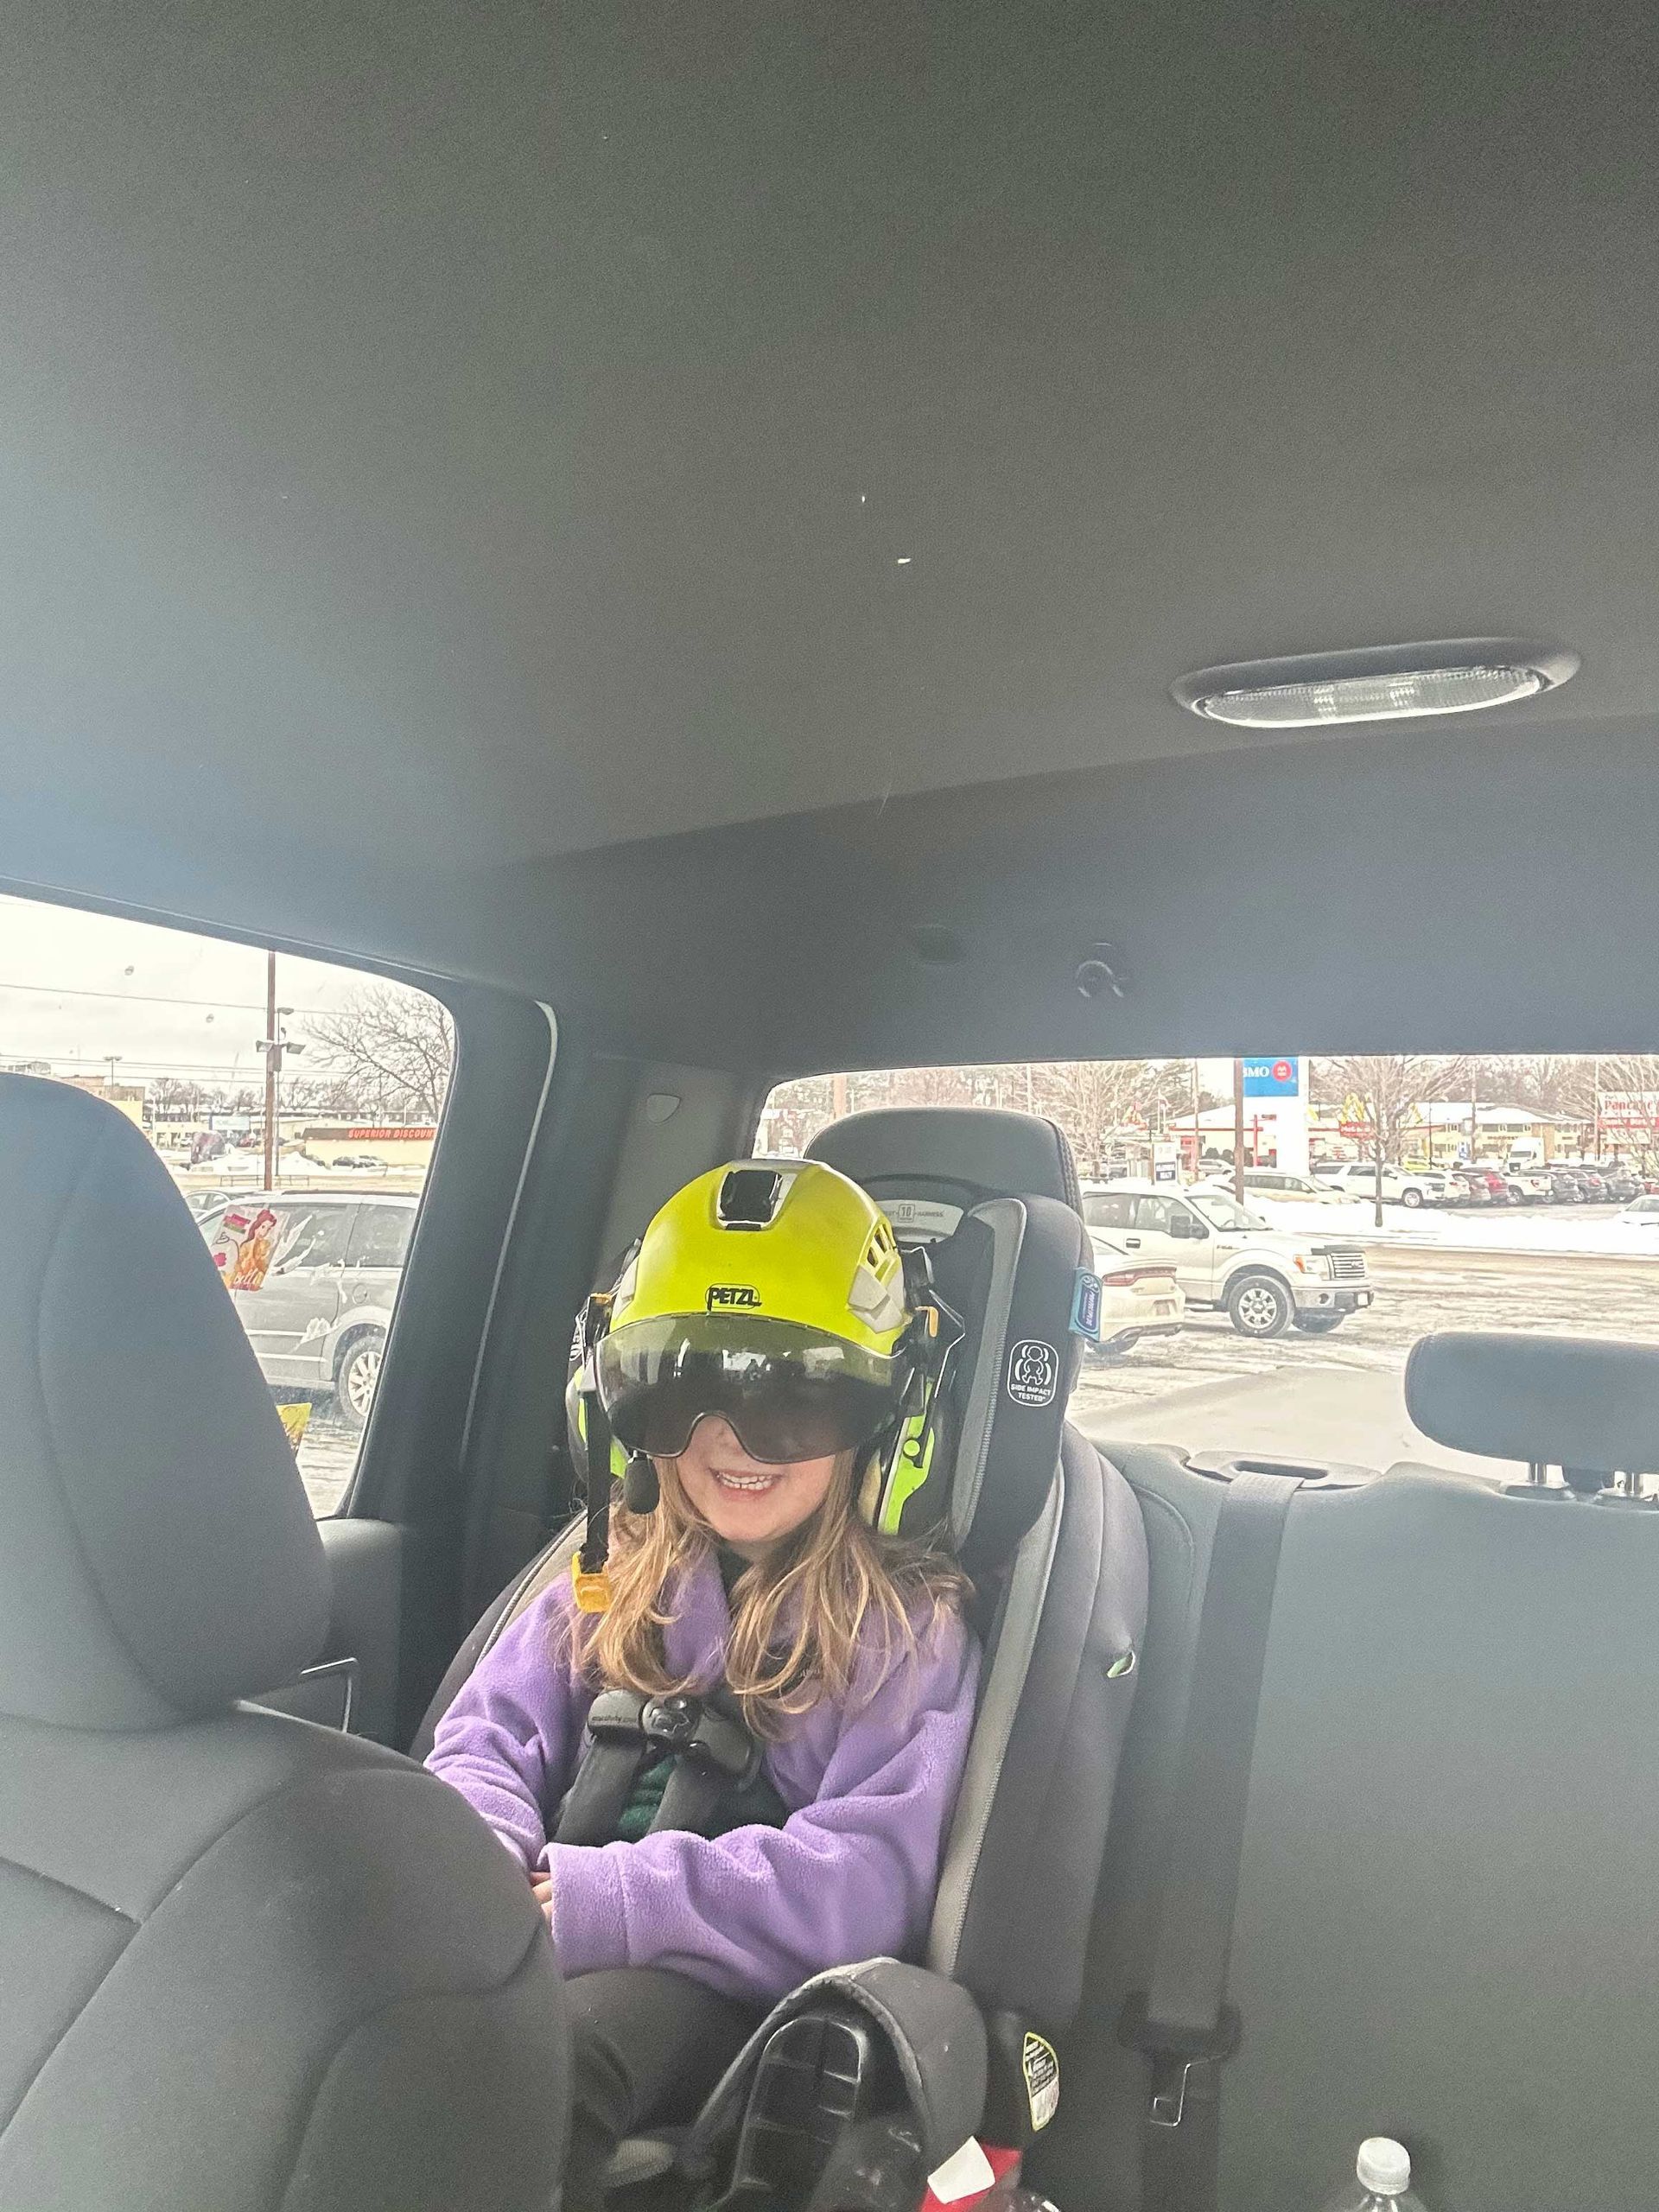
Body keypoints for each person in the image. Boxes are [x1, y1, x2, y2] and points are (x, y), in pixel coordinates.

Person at [427, 1159, 980, 2209]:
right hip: (539, 1922)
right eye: (688, 1387)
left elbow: (866, 1881)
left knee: (547, 2063)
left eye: (793, 1396)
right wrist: (484, 1864)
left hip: (719, 1987)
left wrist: (610, 1901)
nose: (732, 1438)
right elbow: (483, 1741)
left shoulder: (900, 1632)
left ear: (887, 1417)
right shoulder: (607, 1569)